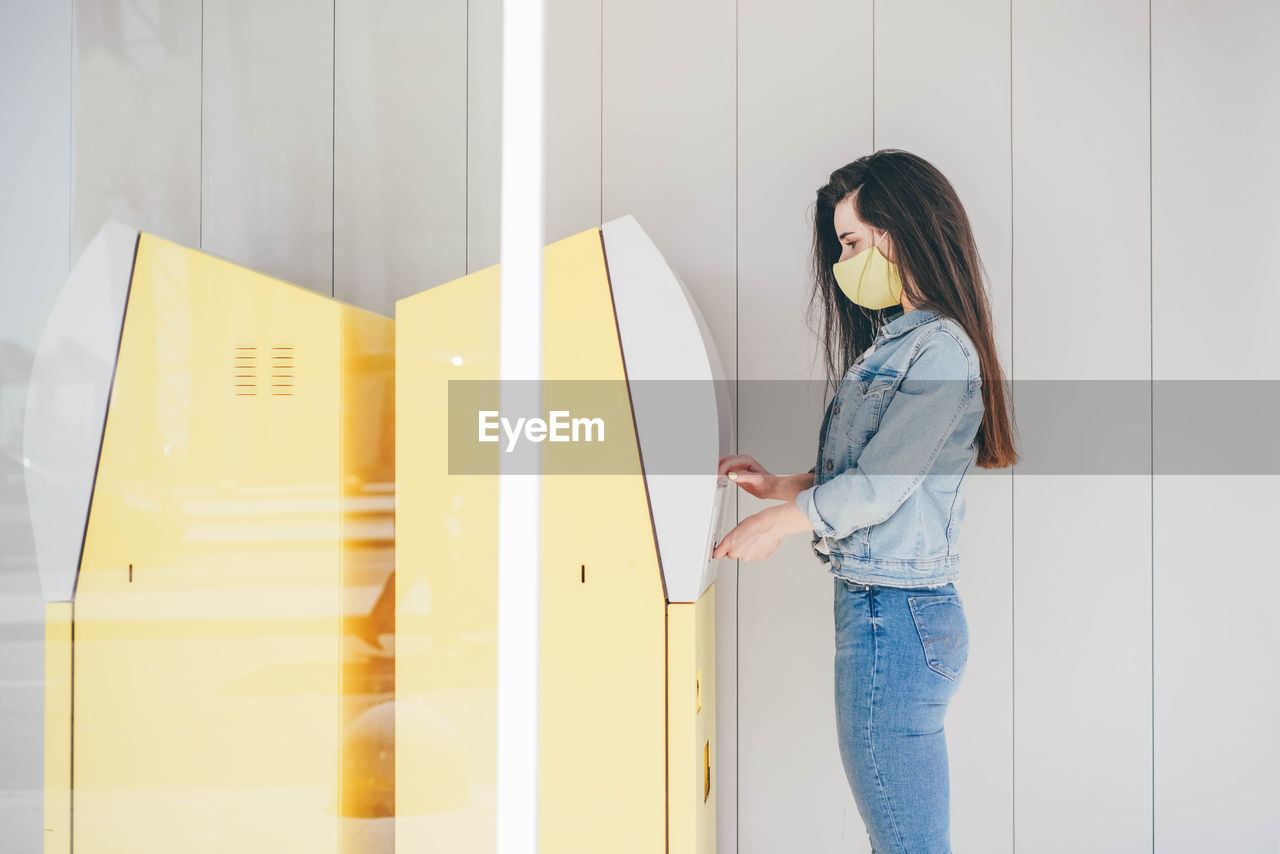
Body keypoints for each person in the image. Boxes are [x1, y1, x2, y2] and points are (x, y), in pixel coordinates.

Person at [713, 149, 1018, 853]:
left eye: (852, 242)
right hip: (894, 616)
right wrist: (785, 486)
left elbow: (881, 488)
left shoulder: (941, 350)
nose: (845, 261)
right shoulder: (902, 344)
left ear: (900, 228)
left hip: (895, 621)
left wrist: (778, 526)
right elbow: (877, 471)